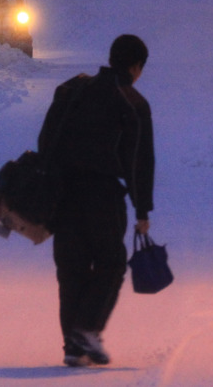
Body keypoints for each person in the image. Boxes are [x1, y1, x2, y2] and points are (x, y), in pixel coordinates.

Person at [37, 34, 156, 368]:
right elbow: (139, 162)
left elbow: (46, 138)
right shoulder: (132, 103)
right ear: (136, 66)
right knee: (111, 263)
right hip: (102, 196)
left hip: (64, 193)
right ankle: (87, 329)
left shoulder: (71, 90)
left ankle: (73, 347)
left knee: (71, 269)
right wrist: (142, 208)